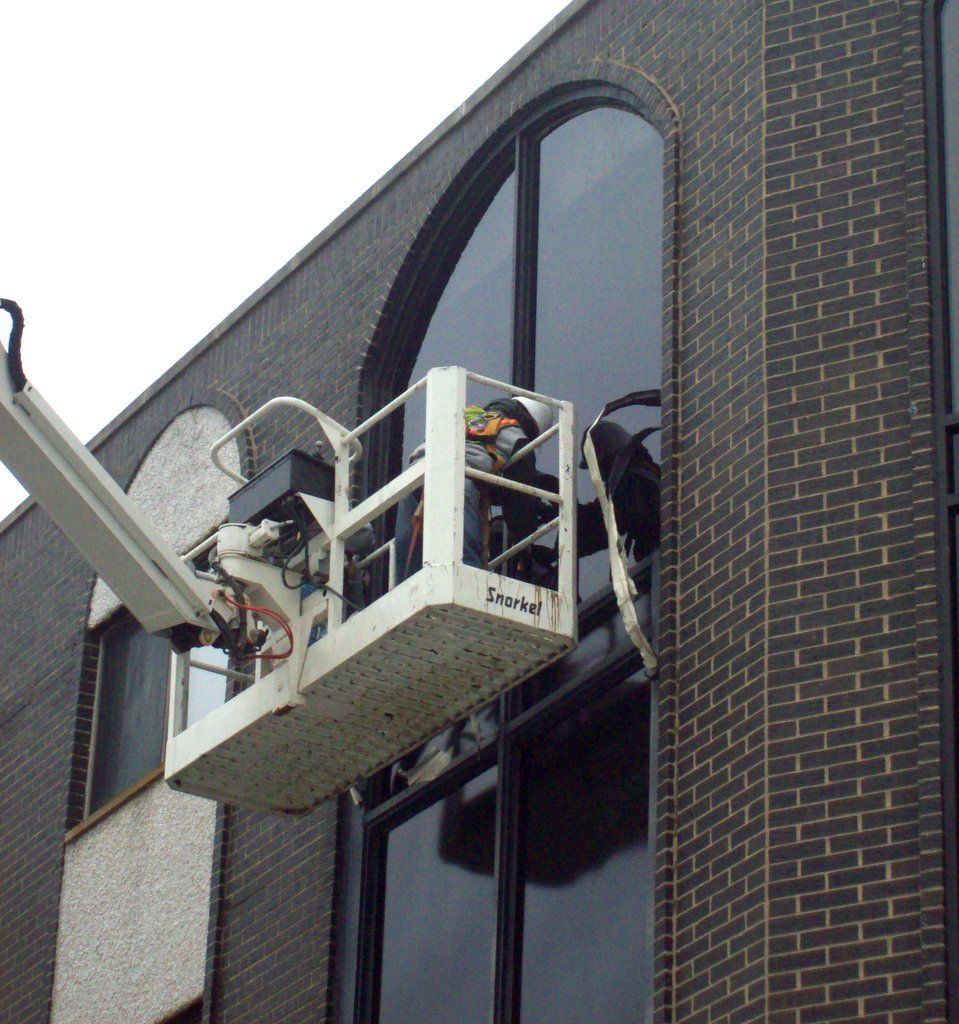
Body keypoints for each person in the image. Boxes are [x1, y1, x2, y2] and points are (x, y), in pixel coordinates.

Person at [395, 394, 555, 581]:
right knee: (466, 573)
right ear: (531, 426)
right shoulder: (514, 433)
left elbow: (483, 474)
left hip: (415, 486)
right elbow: (520, 497)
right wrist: (524, 540)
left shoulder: (467, 419)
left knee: (409, 577)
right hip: (456, 487)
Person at [578, 419, 660, 563]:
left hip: (660, 568)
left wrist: (569, 517)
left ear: (603, 460)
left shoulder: (632, 482)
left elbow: (603, 524)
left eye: (595, 466)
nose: (595, 474)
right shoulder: (649, 475)